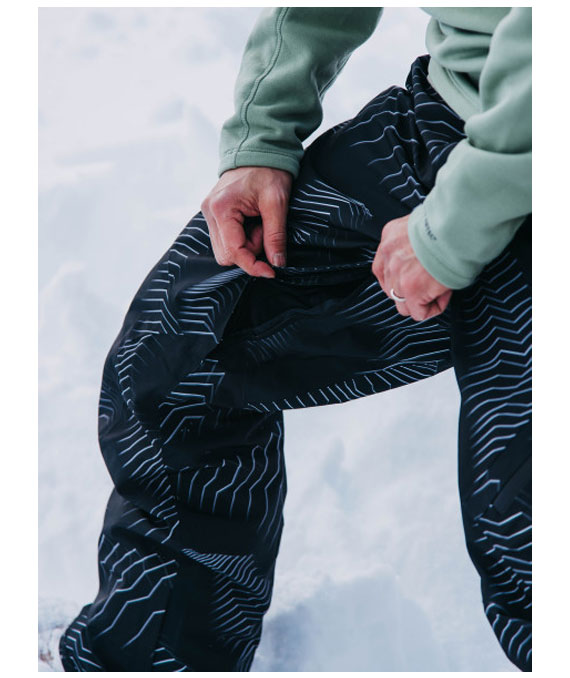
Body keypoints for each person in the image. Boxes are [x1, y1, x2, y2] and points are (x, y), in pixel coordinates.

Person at [59, 7, 531, 672]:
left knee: (530, 529)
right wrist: (263, 134)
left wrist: (452, 229)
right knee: (180, 357)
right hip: (453, 117)